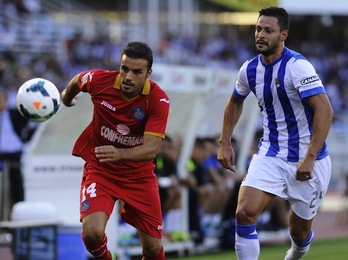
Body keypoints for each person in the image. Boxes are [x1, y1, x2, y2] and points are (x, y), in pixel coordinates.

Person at [217, 7, 334, 260]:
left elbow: (325, 110)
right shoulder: (249, 69)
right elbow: (235, 101)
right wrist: (224, 142)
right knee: (244, 212)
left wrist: (311, 157)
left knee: (299, 233)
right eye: (258, 29)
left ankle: (295, 253)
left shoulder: (298, 67)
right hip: (270, 154)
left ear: (283, 35)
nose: (260, 34)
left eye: (268, 30)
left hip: (309, 160)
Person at [61, 41, 170, 260]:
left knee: (152, 248)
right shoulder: (100, 81)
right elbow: (78, 80)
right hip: (101, 170)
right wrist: (66, 98)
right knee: (92, 233)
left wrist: (120, 153)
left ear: (148, 73)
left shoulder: (158, 100)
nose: (128, 76)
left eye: (137, 72)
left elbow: (151, 149)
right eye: (124, 69)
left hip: (138, 176)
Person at [0, 87, 36, 220]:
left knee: (16, 184)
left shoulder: (14, 114)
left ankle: (18, 211)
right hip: (1, 155)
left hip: (14, 153)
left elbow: (31, 121)